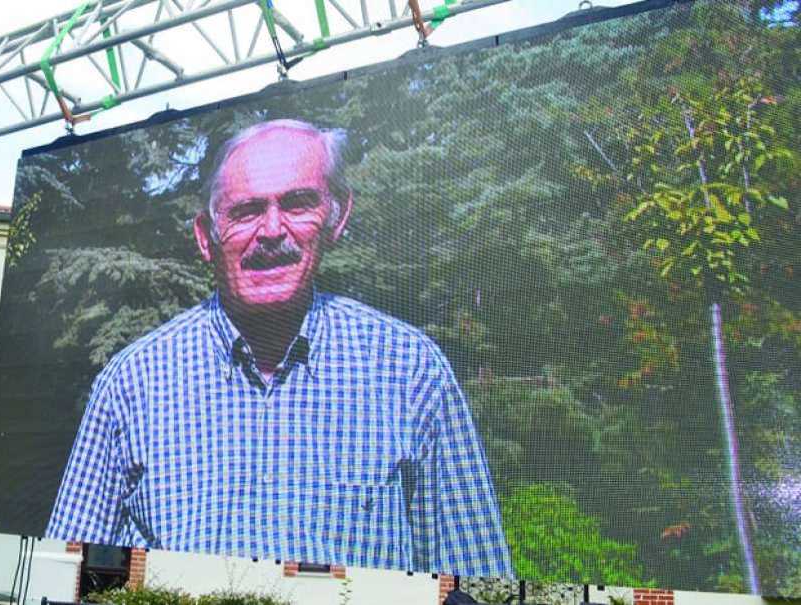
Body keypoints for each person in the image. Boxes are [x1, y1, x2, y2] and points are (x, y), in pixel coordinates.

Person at [45, 119, 512, 577]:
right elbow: (63, 575)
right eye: (246, 211)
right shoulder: (132, 384)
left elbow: (472, 577)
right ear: (206, 237)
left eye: (298, 203)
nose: (272, 231)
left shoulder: (411, 372)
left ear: (336, 217)